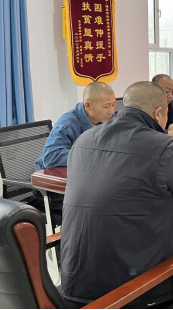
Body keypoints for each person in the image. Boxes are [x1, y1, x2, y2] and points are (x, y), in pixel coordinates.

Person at [61, 81, 173, 309]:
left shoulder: (83, 140)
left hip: (75, 284)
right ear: (158, 113)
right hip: (130, 293)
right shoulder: (164, 147)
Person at [35, 82, 116, 221]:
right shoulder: (68, 123)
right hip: (54, 190)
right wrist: (90, 154)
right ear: (88, 105)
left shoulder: (110, 120)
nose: (111, 111)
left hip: (87, 181)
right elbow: (50, 157)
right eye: (106, 106)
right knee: (102, 206)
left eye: (113, 105)